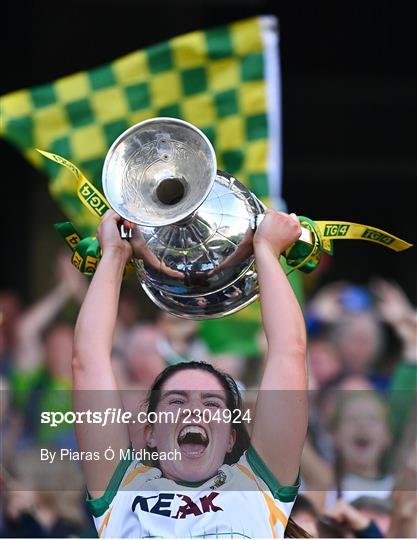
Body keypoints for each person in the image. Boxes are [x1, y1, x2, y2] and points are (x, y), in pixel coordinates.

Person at [72, 209, 308, 538]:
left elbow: (289, 354)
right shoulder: (123, 492)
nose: (194, 411)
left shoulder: (258, 489)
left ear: (230, 436)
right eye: (176, 402)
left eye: (212, 404)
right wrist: (114, 253)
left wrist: (267, 250)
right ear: (151, 433)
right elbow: (88, 361)